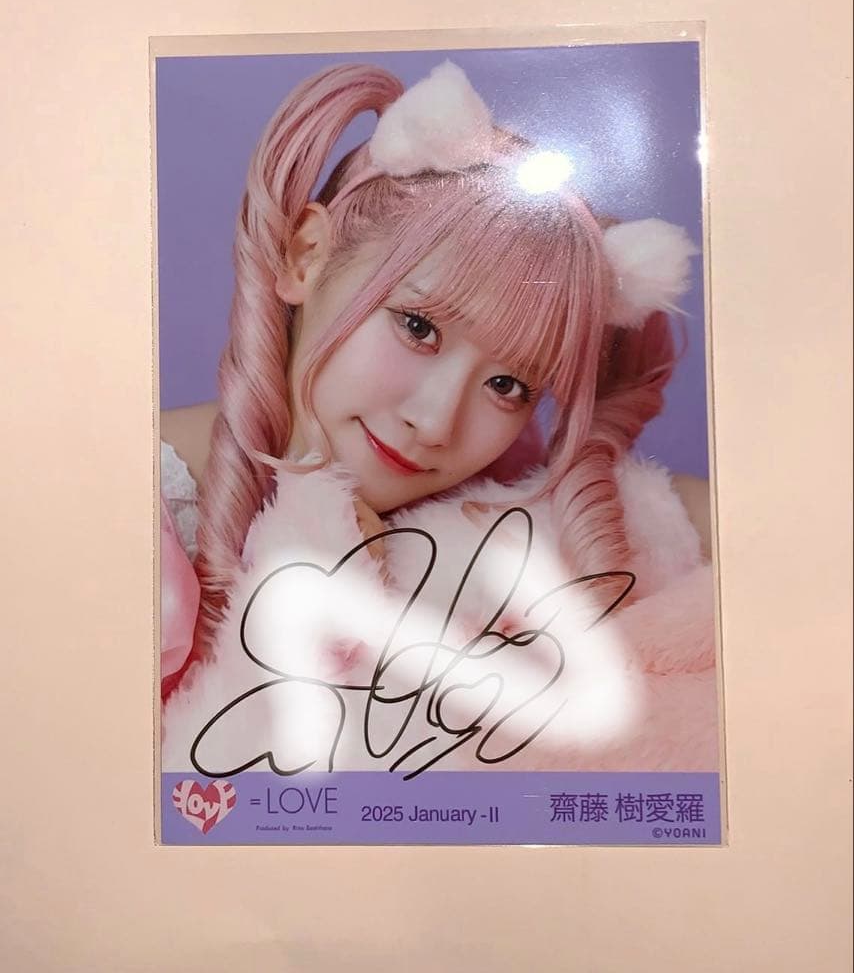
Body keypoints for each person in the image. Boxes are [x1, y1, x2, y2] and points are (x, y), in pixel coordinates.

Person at [160, 60, 716, 775]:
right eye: (418, 327)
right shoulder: (120, 517)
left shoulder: (492, 525)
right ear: (305, 256)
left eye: (509, 385)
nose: (435, 422)